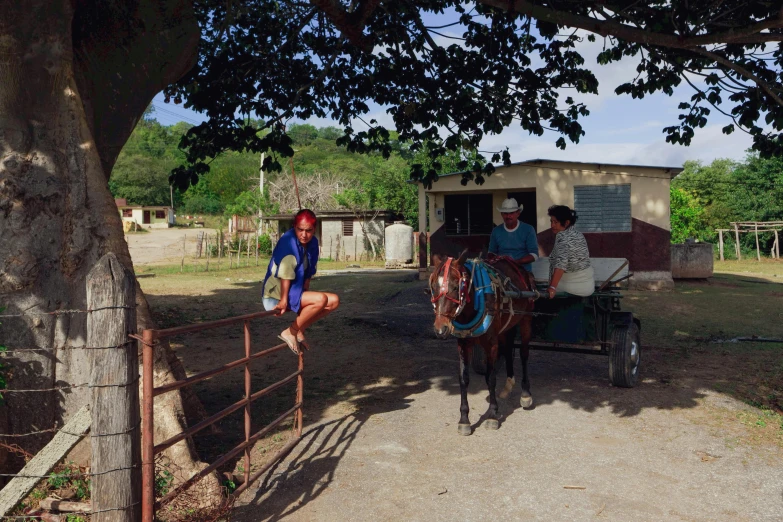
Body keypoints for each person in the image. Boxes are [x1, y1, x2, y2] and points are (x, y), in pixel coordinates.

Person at [261, 209, 340, 354]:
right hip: (276, 295)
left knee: (334, 301)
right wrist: (283, 300)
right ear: (294, 227)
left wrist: (306, 293)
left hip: (295, 291)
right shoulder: (288, 242)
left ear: (314, 229)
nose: (304, 235)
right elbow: (285, 273)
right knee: (320, 299)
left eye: (309, 230)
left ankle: (298, 329)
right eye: (300, 229)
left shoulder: (312, 243)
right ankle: (290, 332)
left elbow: (309, 271)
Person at [546, 205, 594, 298]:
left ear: (567, 222)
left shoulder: (562, 237)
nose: (552, 225)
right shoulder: (578, 234)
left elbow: (561, 265)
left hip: (574, 289)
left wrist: (552, 287)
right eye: (551, 221)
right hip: (588, 286)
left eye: (556, 222)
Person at [488, 198, 539, 272]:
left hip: (523, 271)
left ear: (518, 213)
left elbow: (534, 255)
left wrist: (515, 263)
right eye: (505, 213)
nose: (508, 216)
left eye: (511, 213)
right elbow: (491, 253)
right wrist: (494, 260)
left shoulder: (528, 229)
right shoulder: (496, 231)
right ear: (501, 214)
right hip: (501, 271)